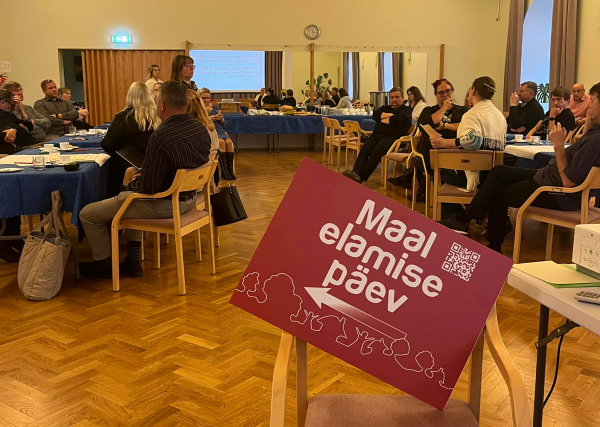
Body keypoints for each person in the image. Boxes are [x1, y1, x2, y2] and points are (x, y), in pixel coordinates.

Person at [440, 82, 600, 254]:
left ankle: (490, 243)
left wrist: (559, 146)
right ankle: (464, 221)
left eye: (592, 101)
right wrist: (591, 119)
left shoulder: (595, 141)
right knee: (499, 171)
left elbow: (568, 182)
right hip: (549, 178)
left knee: (499, 191)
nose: (587, 105)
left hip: (559, 192)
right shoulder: (594, 134)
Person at [78, 81, 211, 279]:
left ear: (162, 105)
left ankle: (103, 264)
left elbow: (150, 187)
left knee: (89, 213)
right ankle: (132, 255)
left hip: (166, 204)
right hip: (189, 199)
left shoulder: (161, 137)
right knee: (132, 195)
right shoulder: (199, 129)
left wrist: (130, 183)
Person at [428, 77, 507, 218]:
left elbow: (472, 141)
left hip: (476, 177)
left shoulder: (472, 114)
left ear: (473, 90)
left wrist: (444, 143)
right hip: (493, 176)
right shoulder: (498, 115)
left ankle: (454, 217)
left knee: (441, 173)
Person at [387, 78, 470, 197]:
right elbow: (423, 125)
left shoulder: (463, 111)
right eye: (441, 92)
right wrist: (444, 108)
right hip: (432, 151)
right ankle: (420, 180)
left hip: (454, 149)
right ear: (436, 95)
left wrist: (445, 126)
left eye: (448, 91)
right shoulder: (429, 110)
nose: (445, 95)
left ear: (453, 91)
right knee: (427, 135)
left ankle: (416, 178)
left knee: (428, 137)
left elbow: (466, 127)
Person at [101, 82, 161, 197]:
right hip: (154, 167)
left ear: (129, 97)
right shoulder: (158, 116)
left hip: (128, 168)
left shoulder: (125, 117)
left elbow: (107, 144)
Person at [342, 87, 412, 183]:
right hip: (376, 135)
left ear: (402, 98)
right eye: (392, 97)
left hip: (393, 137)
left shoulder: (406, 110)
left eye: (397, 97)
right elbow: (375, 115)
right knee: (364, 150)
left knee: (376, 152)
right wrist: (391, 116)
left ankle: (362, 177)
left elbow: (399, 119)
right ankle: (356, 172)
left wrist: (383, 117)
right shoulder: (385, 107)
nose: (394, 99)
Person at [199, 88, 236, 180]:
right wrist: (209, 119)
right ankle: (224, 171)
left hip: (220, 130)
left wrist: (222, 119)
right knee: (221, 142)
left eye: (208, 98)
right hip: (210, 131)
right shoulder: (198, 109)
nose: (206, 100)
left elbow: (225, 125)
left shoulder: (215, 108)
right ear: (198, 98)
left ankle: (229, 170)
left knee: (228, 142)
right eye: (204, 98)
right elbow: (198, 124)